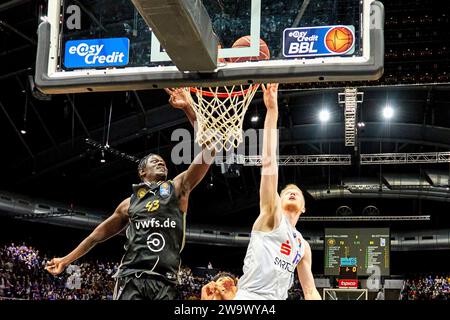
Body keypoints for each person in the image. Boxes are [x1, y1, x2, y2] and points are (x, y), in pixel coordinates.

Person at [45, 88, 215, 300]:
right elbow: (94, 237)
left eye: (162, 161)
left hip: (165, 280)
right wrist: (65, 260)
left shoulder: (178, 188)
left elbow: (209, 150)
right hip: (131, 278)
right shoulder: (128, 204)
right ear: (142, 172)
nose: (161, 161)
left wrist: (189, 107)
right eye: (154, 161)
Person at [233, 83, 321, 300]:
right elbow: (269, 163)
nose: (291, 192)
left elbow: (309, 290)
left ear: (304, 207)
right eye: (286, 192)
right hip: (249, 298)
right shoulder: (272, 215)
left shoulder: (302, 245)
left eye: (296, 192)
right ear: (278, 200)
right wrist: (272, 112)